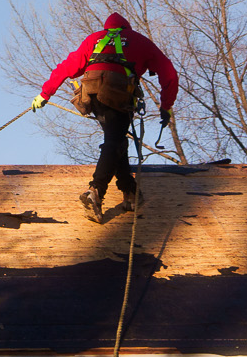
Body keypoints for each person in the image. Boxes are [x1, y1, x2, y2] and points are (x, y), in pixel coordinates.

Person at [31, 12, 177, 221]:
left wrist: (45, 93)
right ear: (127, 27)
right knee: (114, 141)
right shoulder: (139, 41)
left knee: (116, 139)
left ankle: (130, 192)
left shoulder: (94, 39)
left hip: (92, 92)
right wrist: (166, 106)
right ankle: (96, 191)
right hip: (118, 92)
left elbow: (67, 66)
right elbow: (168, 72)